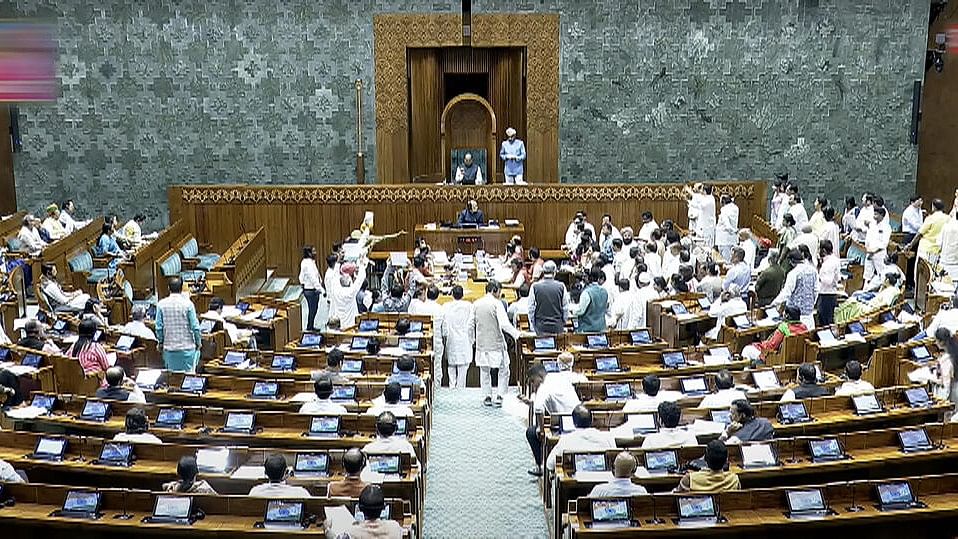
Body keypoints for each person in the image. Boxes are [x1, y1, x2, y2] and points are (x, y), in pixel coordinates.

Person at [524, 361, 584, 476]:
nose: (533, 385)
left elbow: (538, 410)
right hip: (579, 417)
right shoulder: (558, 377)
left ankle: (541, 466)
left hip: (564, 424)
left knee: (531, 432)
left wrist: (542, 432)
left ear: (540, 377)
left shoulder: (544, 387)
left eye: (533, 381)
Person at [474, 281, 520, 406]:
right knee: (504, 369)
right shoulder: (497, 304)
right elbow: (504, 324)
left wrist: (472, 340)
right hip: (496, 343)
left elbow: (470, 325)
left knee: (484, 371)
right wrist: (517, 335)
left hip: (482, 343)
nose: (500, 294)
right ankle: (501, 395)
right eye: (499, 291)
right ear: (495, 290)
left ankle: (487, 396)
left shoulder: (476, 304)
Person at [545, 405, 615, 472]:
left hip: (574, 482)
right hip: (604, 479)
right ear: (592, 421)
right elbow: (615, 458)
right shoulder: (607, 437)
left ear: (574, 423)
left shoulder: (566, 440)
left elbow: (550, 464)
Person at [156, 277, 202, 373]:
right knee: (188, 380)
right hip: (187, 348)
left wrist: (161, 342)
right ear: (181, 288)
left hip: (169, 349)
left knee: (172, 381)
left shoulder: (161, 305)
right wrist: (198, 342)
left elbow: (159, 328)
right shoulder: (188, 304)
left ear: (168, 288)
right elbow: (195, 327)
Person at [771, 249, 818, 329]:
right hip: (809, 316)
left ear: (791, 261)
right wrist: (810, 305)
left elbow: (786, 293)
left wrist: (773, 303)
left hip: (796, 319)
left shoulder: (794, 273)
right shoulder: (813, 270)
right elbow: (816, 291)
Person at [741, 305, 807, 362]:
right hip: (797, 358)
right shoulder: (804, 328)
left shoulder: (783, 327)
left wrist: (761, 345)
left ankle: (746, 375)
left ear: (787, 316)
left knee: (747, 349)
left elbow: (772, 346)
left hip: (775, 358)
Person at [335, 485, 404, 539]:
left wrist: (327, 530)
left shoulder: (351, 532)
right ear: (384, 507)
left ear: (359, 508)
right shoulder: (395, 528)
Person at [834, 272, 901, 324]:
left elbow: (885, 304)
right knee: (852, 300)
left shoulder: (890, 291)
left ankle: (838, 320)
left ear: (887, 280)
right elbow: (879, 297)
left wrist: (866, 303)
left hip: (871, 309)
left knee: (851, 303)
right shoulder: (891, 289)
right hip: (870, 305)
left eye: (884, 279)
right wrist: (882, 287)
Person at [675, 440, 741, 492]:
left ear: (705, 459)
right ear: (726, 460)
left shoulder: (690, 479)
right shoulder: (734, 479)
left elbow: (675, 496)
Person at [442, 285, 474, 389]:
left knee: (451, 364)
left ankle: (452, 387)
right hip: (464, 339)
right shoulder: (469, 306)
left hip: (452, 339)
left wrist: (444, 337)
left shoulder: (446, 306)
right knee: (462, 367)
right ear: (463, 295)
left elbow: (445, 324)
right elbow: (472, 324)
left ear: (452, 294)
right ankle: (460, 388)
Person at [528, 261, 569, 335]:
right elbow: (565, 308)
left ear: (543, 272)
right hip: (557, 327)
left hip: (540, 327)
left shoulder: (534, 286)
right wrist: (563, 322)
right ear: (555, 272)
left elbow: (531, 309)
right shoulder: (562, 286)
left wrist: (534, 325)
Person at [906, 198, 950, 266]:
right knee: (932, 270)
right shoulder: (948, 218)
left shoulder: (930, 218)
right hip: (938, 249)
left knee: (920, 271)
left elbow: (920, 233)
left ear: (934, 207)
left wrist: (911, 244)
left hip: (925, 249)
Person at [329, 260, 367, 329]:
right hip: (351, 325)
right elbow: (361, 277)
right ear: (350, 283)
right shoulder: (351, 291)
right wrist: (361, 264)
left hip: (339, 323)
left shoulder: (336, 290)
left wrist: (337, 264)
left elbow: (334, 278)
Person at [574, 267, 608, 333]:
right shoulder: (605, 292)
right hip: (601, 329)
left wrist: (572, 310)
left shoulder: (586, 293)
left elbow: (580, 311)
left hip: (587, 330)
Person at [816, 239, 842, 327]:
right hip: (832, 294)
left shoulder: (828, 264)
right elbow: (838, 277)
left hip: (825, 295)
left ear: (823, 250)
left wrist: (818, 276)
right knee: (830, 320)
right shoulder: (835, 260)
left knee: (825, 322)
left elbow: (828, 281)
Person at [932, 327, 958, 409]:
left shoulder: (945, 360)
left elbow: (945, 385)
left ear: (942, 342)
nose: (935, 343)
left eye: (936, 340)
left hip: (954, 397)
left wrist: (940, 403)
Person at [863, 206, 891, 281]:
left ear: (882, 215)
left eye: (876, 214)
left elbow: (884, 243)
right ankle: (865, 290)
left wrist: (874, 251)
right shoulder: (872, 224)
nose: (874, 216)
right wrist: (867, 248)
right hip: (869, 252)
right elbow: (868, 237)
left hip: (879, 253)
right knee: (867, 276)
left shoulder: (886, 227)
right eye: (874, 214)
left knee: (881, 274)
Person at [300, 245, 323, 332]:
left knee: (314, 309)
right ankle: (309, 327)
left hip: (310, 289)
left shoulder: (308, 262)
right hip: (311, 290)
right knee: (312, 309)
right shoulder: (308, 264)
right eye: (313, 251)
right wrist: (320, 289)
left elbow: (315, 274)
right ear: (309, 253)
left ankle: (311, 326)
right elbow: (313, 278)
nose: (315, 252)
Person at [685, 183, 716, 248]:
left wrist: (689, 202)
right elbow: (698, 197)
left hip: (706, 228)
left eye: (701, 189)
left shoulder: (708, 201)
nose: (700, 191)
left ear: (704, 191)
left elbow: (699, 205)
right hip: (703, 226)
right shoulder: (708, 197)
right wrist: (690, 192)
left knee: (705, 247)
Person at [715, 195, 739, 261]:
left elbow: (727, 225)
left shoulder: (724, 210)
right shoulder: (735, 208)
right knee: (730, 257)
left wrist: (734, 230)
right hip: (732, 238)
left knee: (725, 260)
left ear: (723, 202)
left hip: (724, 239)